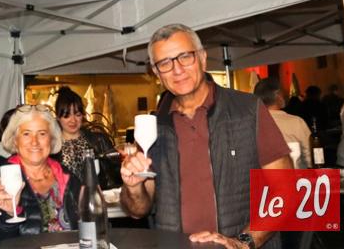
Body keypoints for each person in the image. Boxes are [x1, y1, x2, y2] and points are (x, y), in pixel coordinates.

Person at [120, 24, 291, 249]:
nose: (177, 70)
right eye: (165, 63)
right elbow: (138, 209)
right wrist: (133, 187)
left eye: (185, 57)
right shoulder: (153, 129)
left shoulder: (247, 110)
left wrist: (242, 243)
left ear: (202, 58)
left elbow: (286, 190)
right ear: (156, 72)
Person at [0, 104, 80, 239]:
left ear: (51, 139)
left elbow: (88, 223)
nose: (34, 142)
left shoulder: (67, 176)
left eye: (42, 134)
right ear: (15, 140)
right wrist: (9, 213)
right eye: (26, 134)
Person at [54, 86, 121, 189]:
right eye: (66, 115)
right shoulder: (52, 148)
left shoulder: (99, 140)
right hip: (66, 199)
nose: (73, 120)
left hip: (98, 197)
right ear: (58, 117)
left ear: (83, 115)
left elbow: (118, 175)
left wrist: (124, 160)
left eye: (77, 114)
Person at [254, 78, 312, 168]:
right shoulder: (296, 122)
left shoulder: (250, 124)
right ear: (278, 95)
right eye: (283, 92)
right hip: (295, 175)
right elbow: (310, 157)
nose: (285, 95)